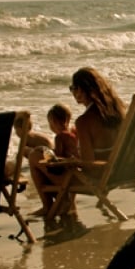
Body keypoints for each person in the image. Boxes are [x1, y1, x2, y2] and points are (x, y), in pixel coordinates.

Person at [28, 67, 126, 217]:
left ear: (81, 90)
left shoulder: (84, 121)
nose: (73, 92)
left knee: (36, 155)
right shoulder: (118, 111)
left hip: (97, 178)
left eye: (73, 88)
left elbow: (88, 163)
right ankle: (63, 203)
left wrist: (68, 161)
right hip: (120, 171)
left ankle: (49, 206)